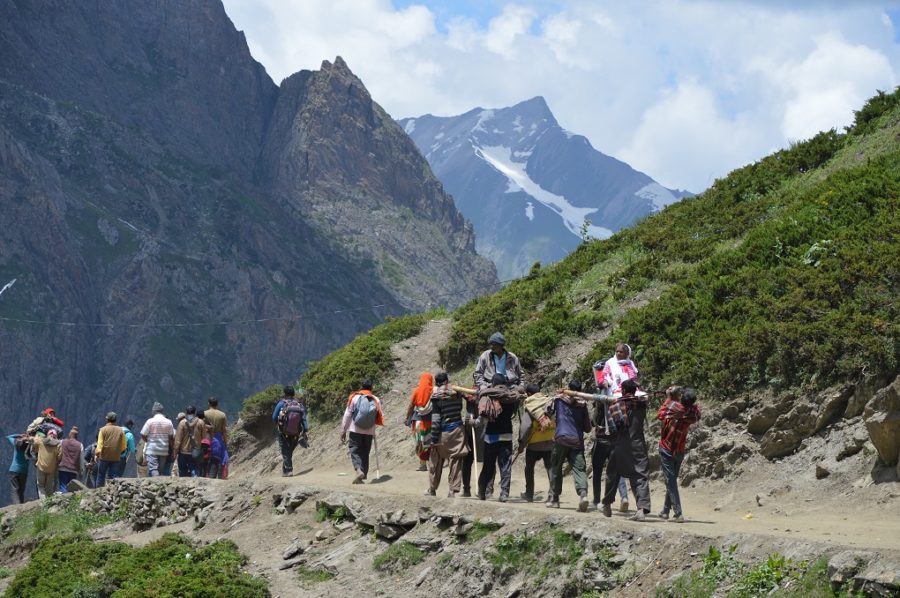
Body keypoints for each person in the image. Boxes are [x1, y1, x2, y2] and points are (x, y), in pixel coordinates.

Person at [595, 379, 652, 521]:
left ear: (623, 390)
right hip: (638, 444)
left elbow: (614, 427)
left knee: (612, 474)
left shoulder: (616, 405)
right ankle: (641, 509)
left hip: (620, 444)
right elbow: (644, 396)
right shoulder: (641, 404)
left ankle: (607, 505)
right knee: (640, 475)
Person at [546, 380, 591, 511]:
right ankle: (583, 495)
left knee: (556, 468)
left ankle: (554, 499)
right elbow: (587, 428)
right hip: (577, 441)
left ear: (568, 388)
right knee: (579, 469)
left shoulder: (558, 400)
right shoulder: (583, 405)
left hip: (561, 438)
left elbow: (547, 411)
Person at [657, 387, 701, 523]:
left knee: (670, 481)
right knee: (672, 480)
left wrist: (669, 397)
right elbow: (697, 412)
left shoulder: (674, 407)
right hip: (679, 450)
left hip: (667, 448)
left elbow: (660, 414)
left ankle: (678, 513)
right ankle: (665, 511)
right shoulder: (692, 412)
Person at [477, 373, 523, 502]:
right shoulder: (511, 396)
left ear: (493, 383)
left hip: (490, 436)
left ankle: (482, 492)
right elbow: (516, 406)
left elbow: (482, 414)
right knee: (505, 466)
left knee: (488, 466)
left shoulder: (488, 396)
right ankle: (504, 494)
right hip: (506, 435)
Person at [424, 373, 469, 497]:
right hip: (458, 431)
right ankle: (452, 491)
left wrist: (433, 438)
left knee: (435, 460)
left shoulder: (436, 396)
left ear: (437, 383)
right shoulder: (457, 393)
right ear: (447, 381)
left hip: (442, 433)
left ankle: (432, 489)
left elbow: (436, 419)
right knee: (455, 460)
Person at [340, 380, 384, 484]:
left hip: (355, 429)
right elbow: (379, 415)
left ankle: (358, 470)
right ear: (371, 388)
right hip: (369, 431)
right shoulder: (376, 399)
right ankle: (363, 473)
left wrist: (343, 430)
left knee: (354, 449)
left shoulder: (355, 397)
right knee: (365, 451)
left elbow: (347, 414)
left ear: (361, 387)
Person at [518, 384, 554, 503]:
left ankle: (529, 494)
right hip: (549, 441)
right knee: (550, 469)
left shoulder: (530, 405)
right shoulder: (549, 402)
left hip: (534, 444)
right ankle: (553, 494)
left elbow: (526, 426)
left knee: (529, 469)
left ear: (528, 394)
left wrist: (522, 443)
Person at [272, 386, 309, 477]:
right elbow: (304, 419)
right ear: (293, 394)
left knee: (285, 450)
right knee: (289, 450)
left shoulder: (281, 404)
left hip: (283, 432)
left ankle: (289, 470)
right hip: (296, 432)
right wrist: (305, 430)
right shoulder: (299, 405)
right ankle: (285, 470)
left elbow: (273, 417)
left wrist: (279, 424)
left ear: (285, 394)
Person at [405, 372, 434, 472]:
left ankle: (422, 465)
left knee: (419, 443)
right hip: (430, 422)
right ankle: (432, 463)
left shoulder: (417, 391)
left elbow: (411, 406)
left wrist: (407, 417)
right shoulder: (433, 391)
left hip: (417, 421)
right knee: (429, 443)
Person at [141, 402, 175, 477]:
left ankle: (155, 483)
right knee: (160, 470)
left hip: (152, 449)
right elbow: (171, 437)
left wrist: (148, 441)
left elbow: (143, 434)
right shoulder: (168, 422)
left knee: (153, 469)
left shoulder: (150, 421)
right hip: (164, 449)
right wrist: (172, 449)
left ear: (154, 411)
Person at [95, 412, 126, 487]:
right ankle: (111, 492)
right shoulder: (120, 430)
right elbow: (124, 446)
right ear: (115, 420)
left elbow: (100, 444)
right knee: (112, 477)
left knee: (101, 476)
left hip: (104, 457)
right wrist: (118, 452)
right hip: (115, 457)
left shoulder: (102, 430)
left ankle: (98, 492)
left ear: (107, 419)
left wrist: (97, 454)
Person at [174, 406, 204, 477]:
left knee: (182, 470)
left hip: (183, 451)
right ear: (195, 412)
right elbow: (204, 437)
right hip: (195, 451)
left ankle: (183, 485)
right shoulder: (200, 422)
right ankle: (195, 481)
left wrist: (175, 451)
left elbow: (178, 439)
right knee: (194, 468)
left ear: (186, 412)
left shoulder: (182, 423)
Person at [32, 429, 61, 498]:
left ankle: (43, 502)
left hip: (41, 467)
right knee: (49, 487)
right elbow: (59, 457)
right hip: (51, 469)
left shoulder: (41, 441)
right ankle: (49, 502)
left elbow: (35, 443)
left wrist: (38, 435)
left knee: (40, 485)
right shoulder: (57, 445)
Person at [58, 428, 85, 493]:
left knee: (63, 485)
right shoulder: (80, 445)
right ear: (76, 436)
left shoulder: (62, 442)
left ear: (69, 435)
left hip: (63, 468)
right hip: (73, 470)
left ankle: (63, 500)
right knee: (71, 488)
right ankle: (69, 501)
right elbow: (81, 459)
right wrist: (81, 471)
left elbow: (58, 453)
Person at [7, 433, 31, 504]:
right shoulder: (30, 447)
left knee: (14, 489)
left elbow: (9, 436)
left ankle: (17, 506)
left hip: (14, 470)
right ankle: (21, 505)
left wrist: (20, 435)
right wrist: (28, 438)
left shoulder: (16, 444)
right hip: (24, 471)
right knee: (21, 490)